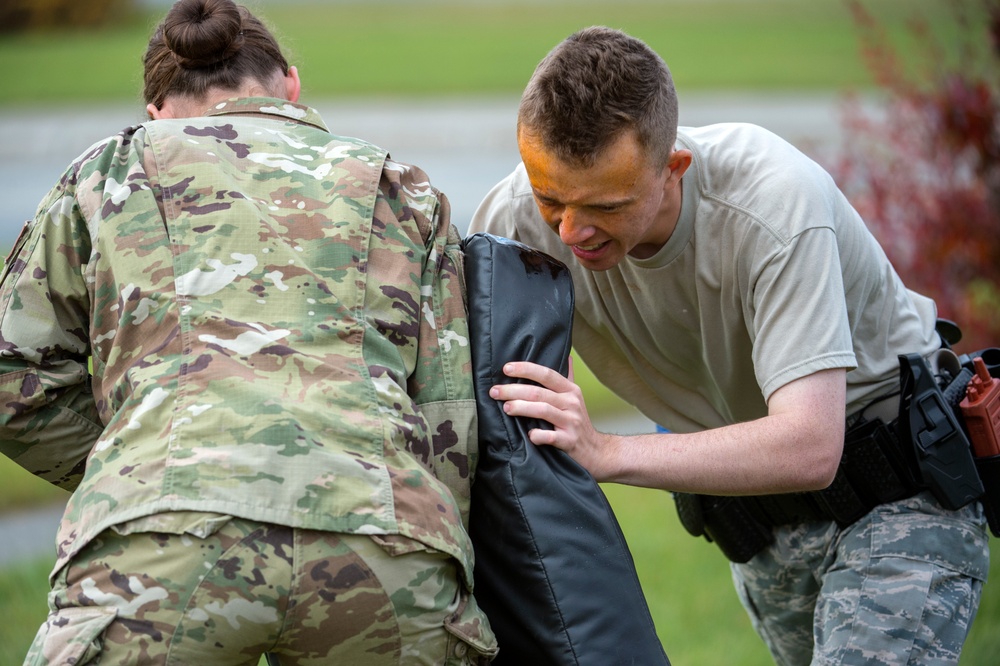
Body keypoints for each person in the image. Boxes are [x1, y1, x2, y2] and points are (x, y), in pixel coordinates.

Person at [470, 25, 990, 666]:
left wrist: (604, 450)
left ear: (672, 171)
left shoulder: (773, 203)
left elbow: (808, 446)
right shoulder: (512, 222)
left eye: (604, 204)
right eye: (551, 197)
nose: (571, 229)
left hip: (896, 497)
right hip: (758, 527)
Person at [0, 0, 497, 664]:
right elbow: (448, 420)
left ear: (157, 116)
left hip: (158, 552)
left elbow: (12, 380)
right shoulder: (402, 191)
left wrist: (138, 465)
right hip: (383, 546)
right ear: (291, 85)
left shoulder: (111, 169)